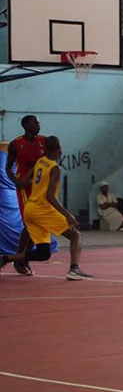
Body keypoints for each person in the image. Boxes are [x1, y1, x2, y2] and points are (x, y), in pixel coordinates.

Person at [1, 136, 92, 280]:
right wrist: (68, 215)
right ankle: (74, 269)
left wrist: (38, 183)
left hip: (30, 209)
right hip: (42, 209)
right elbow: (50, 196)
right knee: (75, 235)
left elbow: (23, 181)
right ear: (59, 150)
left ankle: (5, 259)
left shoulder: (40, 161)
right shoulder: (55, 168)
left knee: (44, 253)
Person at [4, 115, 46, 276]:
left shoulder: (44, 141)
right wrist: (16, 181)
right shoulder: (15, 144)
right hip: (26, 189)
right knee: (30, 224)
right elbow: (8, 168)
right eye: (35, 123)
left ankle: (23, 258)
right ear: (26, 125)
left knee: (37, 224)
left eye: (39, 123)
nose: (38, 125)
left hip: (41, 188)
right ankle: (20, 258)